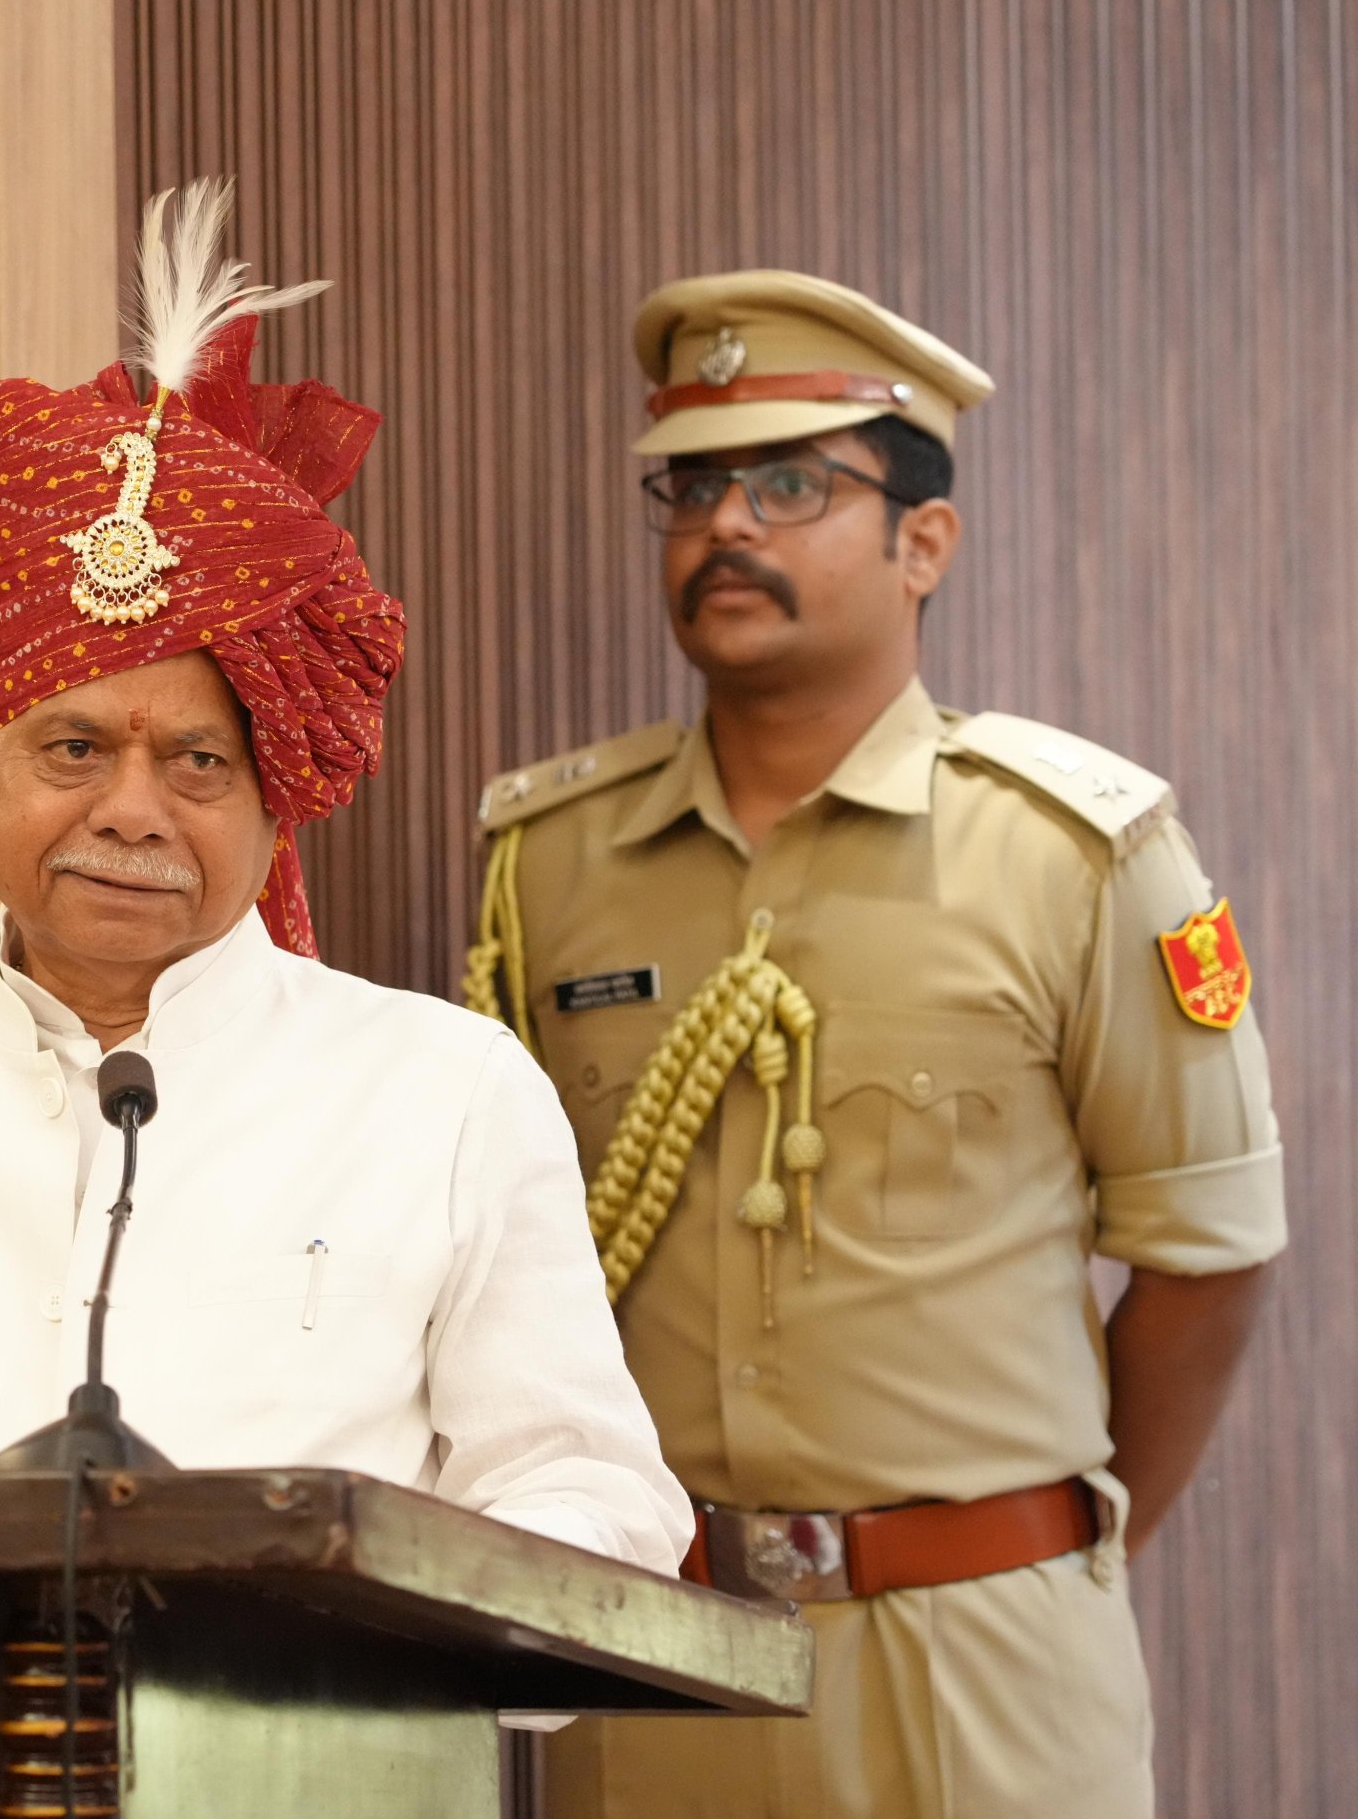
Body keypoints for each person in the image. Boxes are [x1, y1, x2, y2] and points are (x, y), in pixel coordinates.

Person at [0, 181, 692, 1575]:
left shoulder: (446, 1093)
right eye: (74, 747)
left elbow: (593, 1494)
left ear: (280, 801)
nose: (131, 812)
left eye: (199, 764)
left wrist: (361, 1632)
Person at [465, 270, 1285, 1814]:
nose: (730, 527)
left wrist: (1029, 1546)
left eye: (791, 483)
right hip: (661, 1646)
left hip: (976, 1662)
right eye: (694, 485)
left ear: (925, 541)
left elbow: (1211, 1252)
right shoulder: (548, 859)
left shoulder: (1079, 853)